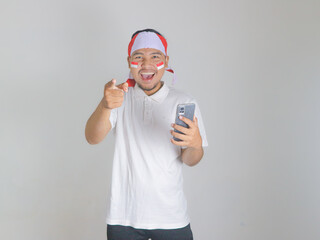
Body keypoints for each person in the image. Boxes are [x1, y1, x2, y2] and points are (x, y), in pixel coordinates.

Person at [85, 28, 208, 240]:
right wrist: (105, 106)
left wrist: (195, 145)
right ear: (129, 61)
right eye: (138, 57)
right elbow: (92, 138)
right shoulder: (117, 97)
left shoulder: (184, 102)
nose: (146, 64)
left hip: (171, 216)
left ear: (166, 61)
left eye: (155, 56)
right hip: (123, 217)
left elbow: (190, 160)